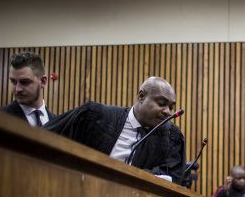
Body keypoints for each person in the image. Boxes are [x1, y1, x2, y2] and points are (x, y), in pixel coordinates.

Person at [45, 77, 185, 183]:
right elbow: (48, 136)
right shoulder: (96, 116)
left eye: (171, 107)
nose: (168, 112)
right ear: (141, 96)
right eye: (161, 104)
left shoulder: (172, 137)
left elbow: (172, 177)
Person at [0, 51, 56, 126]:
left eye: (24, 82)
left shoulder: (57, 122)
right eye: (13, 81)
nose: (17, 89)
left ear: (43, 81)